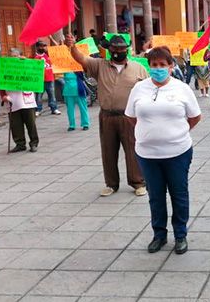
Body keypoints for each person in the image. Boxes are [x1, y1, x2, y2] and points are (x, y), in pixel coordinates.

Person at [125, 46, 201, 254]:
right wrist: (149, 132)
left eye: (162, 65)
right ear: (149, 66)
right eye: (154, 65)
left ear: (170, 66)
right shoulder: (139, 89)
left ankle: (180, 235)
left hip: (178, 152)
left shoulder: (182, 88)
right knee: (155, 196)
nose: (158, 69)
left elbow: (194, 117)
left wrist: (176, 132)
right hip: (148, 155)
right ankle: (159, 234)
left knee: (179, 194)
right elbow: (131, 116)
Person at [64, 34, 148, 197]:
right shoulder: (99, 65)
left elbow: (148, 90)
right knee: (108, 150)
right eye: (115, 48)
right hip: (107, 116)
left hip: (129, 117)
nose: (119, 51)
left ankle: (138, 182)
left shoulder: (139, 68)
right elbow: (81, 59)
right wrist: (72, 47)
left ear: (127, 49)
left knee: (133, 149)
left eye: (122, 48)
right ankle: (111, 184)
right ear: (109, 49)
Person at [0, 49, 39, 152]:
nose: (14, 58)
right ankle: (20, 143)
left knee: (31, 123)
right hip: (12, 100)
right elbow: (1, 84)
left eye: (15, 56)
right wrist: (3, 96)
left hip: (26, 100)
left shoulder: (26, 65)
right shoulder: (5, 68)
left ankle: (33, 143)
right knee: (15, 125)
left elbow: (36, 72)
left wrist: (27, 62)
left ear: (20, 56)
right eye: (11, 56)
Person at [33, 40, 61, 116]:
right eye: (41, 46)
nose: (43, 47)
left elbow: (58, 49)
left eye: (44, 46)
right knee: (39, 96)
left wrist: (51, 38)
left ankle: (54, 108)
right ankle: (38, 109)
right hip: (40, 80)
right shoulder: (34, 57)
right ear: (37, 47)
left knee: (52, 95)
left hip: (50, 78)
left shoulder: (48, 55)